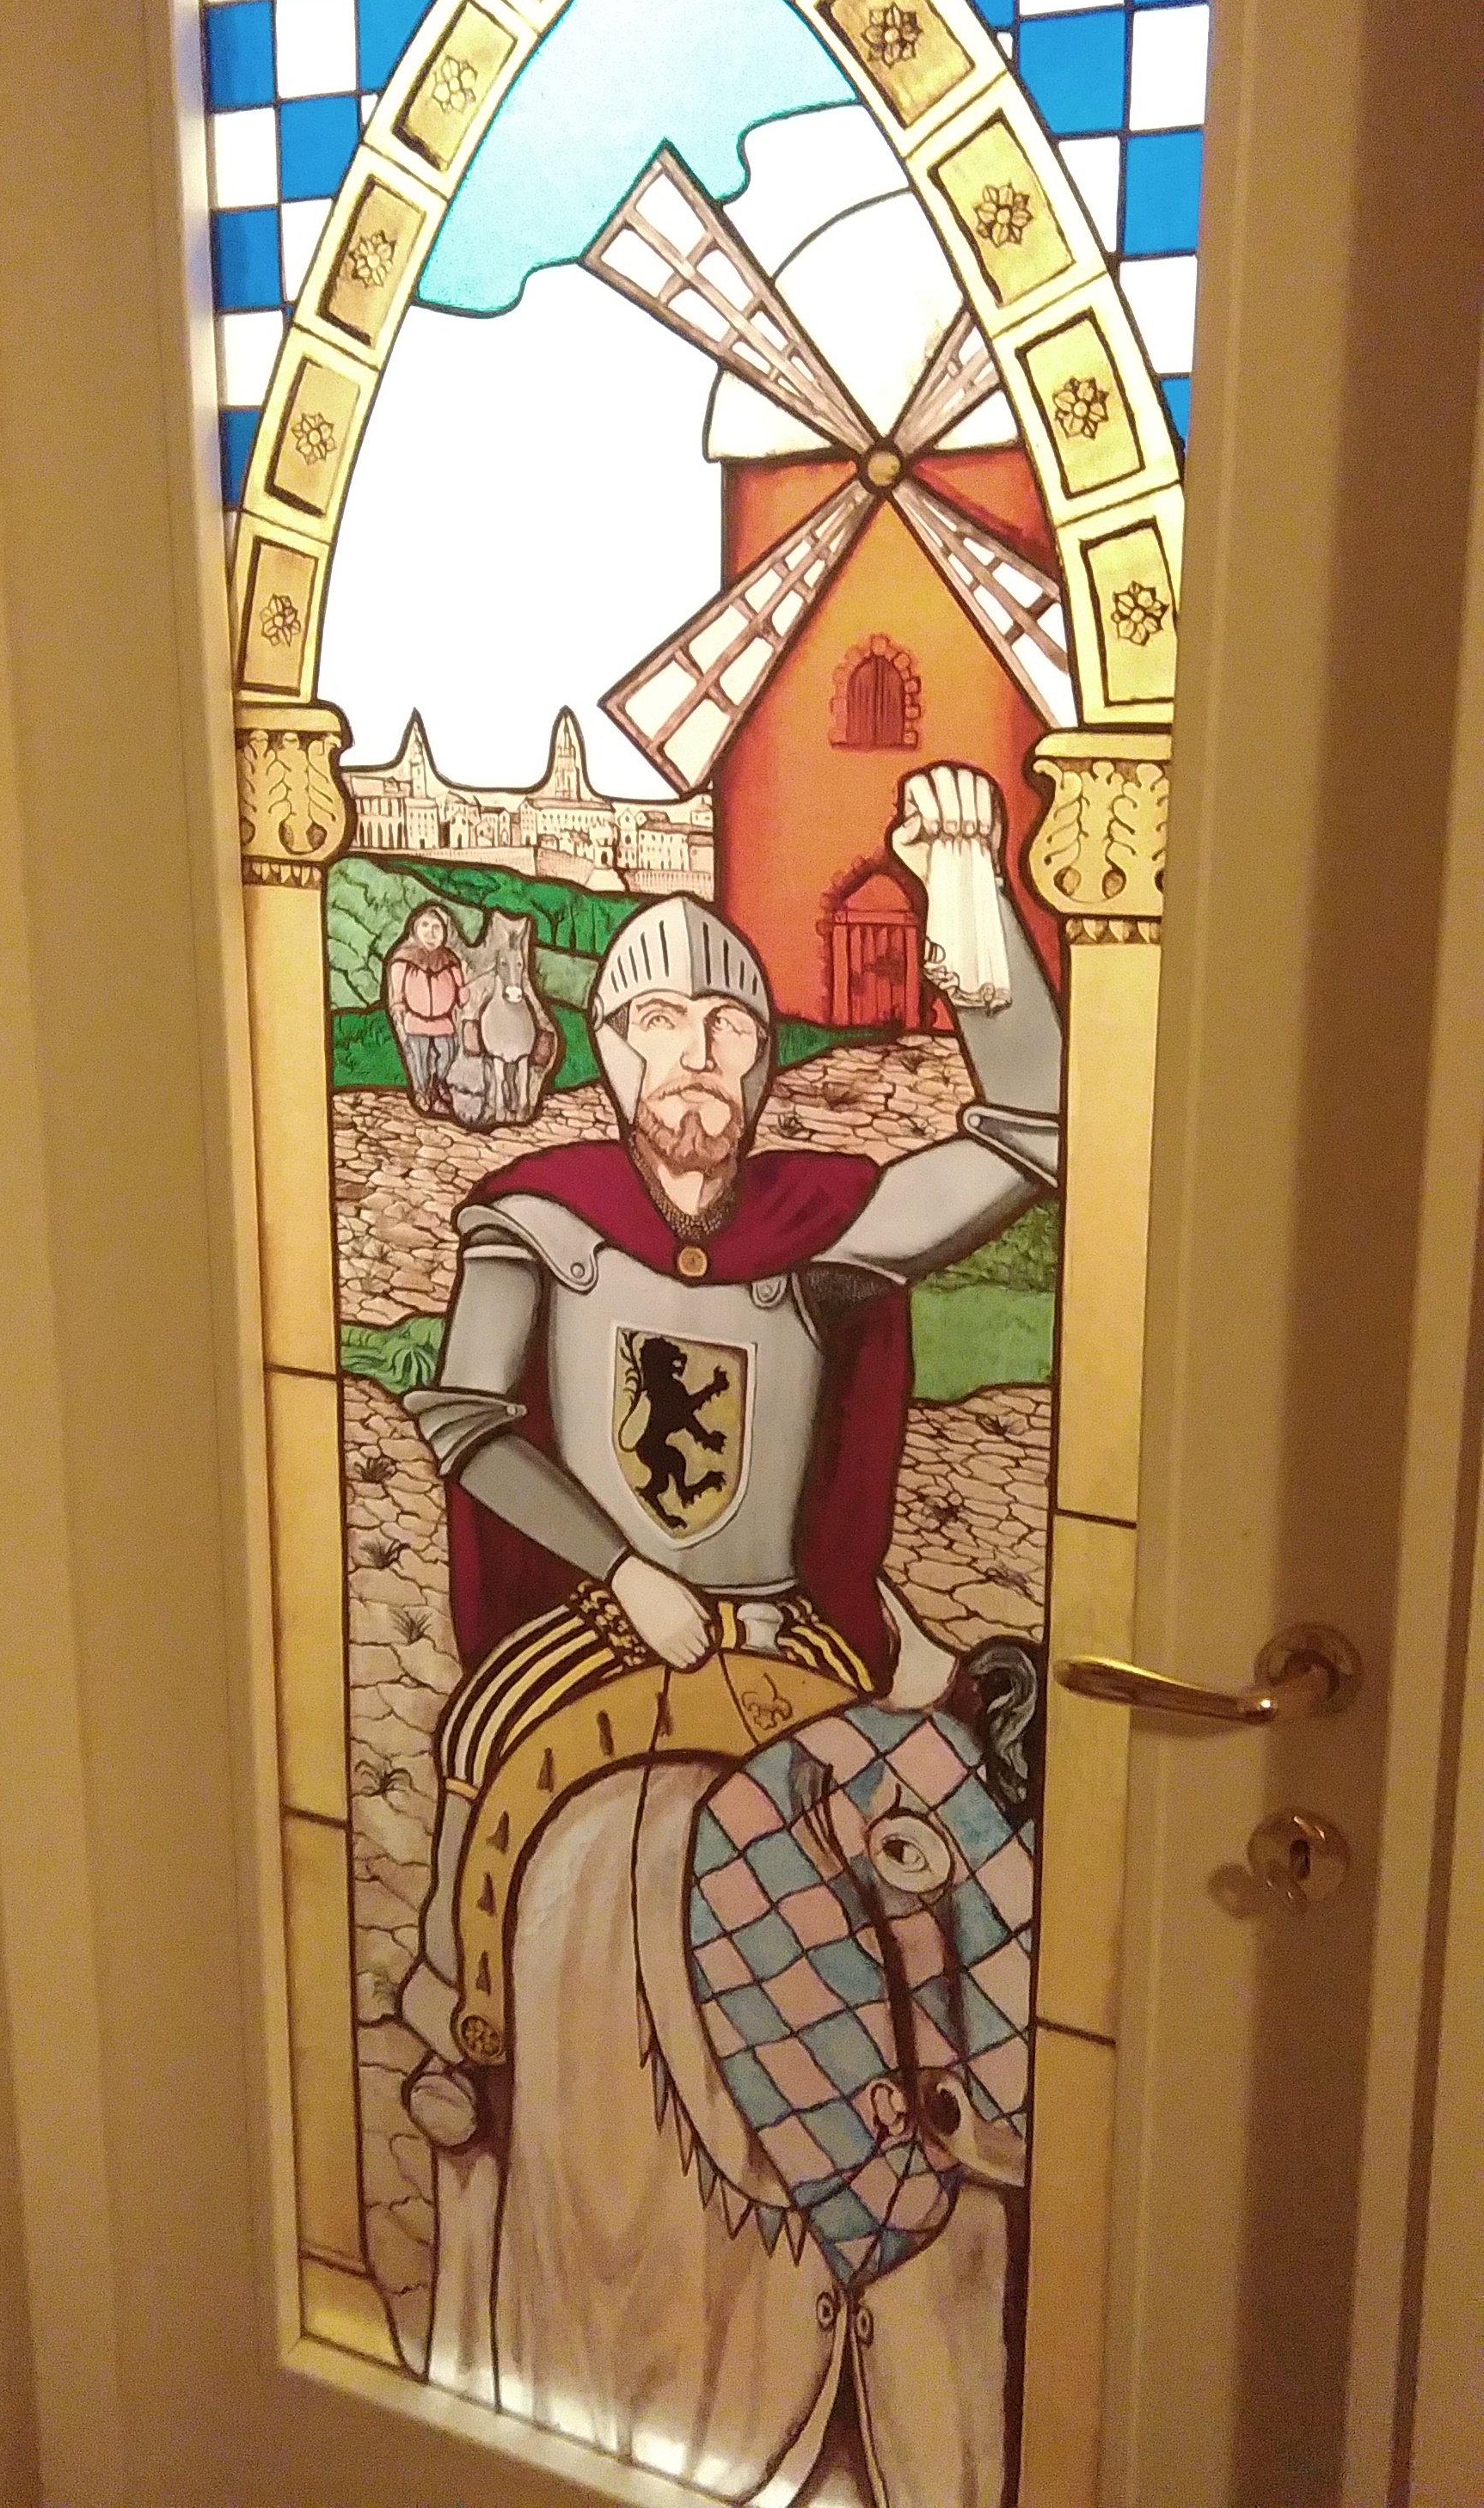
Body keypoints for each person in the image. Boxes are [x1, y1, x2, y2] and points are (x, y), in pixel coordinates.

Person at [399, 766, 1061, 2143]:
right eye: (657, 1022)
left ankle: (949, 2102)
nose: (694, 1051)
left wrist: (968, 891)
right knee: (481, 1736)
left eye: (726, 1024)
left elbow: (1034, 1132)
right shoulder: (538, 1221)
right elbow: (467, 1417)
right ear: (609, 1050)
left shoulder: (828, 1230)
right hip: (601, 1616)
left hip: (787, 1621)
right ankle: (463, 2026)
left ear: (760, 1055)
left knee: (928, 1815)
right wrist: (624, 1570)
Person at [383, 902, 464, 1113]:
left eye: (437, 927)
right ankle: (423, 1093)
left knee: (448, 1053)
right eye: (425, 925)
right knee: (419, 1059)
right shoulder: (403, 958)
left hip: (443, 1020)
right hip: (415, 1020)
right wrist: (398, 1009)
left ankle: (438, 1081)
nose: (431, 932)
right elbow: (396, 989)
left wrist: (463, 997)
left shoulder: (449, 960)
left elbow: (461, 988)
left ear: (445, 932)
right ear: (415, 929)